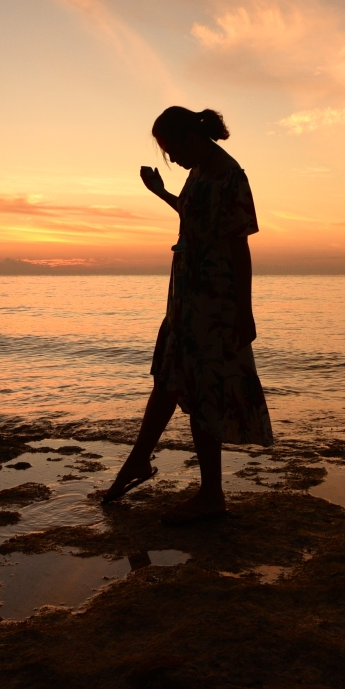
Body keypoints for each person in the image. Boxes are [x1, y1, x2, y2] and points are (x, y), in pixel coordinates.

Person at [101, 105, 273, 523]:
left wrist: (244, 310)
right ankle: (139, 460)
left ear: (188, 138)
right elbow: (195, 217)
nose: (171, 160)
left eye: (170, 150)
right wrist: (160, 193)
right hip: (186, 296)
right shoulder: (199, 170)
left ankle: (211, 495)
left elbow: (238, 244)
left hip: (214, 300)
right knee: (169, 378)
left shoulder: (229, 174)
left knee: (203, 390)